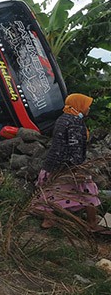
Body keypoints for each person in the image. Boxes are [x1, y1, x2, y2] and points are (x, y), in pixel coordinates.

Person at [34, 93, 100, 231]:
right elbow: (74, 145)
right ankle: (92, 224)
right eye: (87, 106)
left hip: (52, 164)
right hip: (67, 165)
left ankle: (48, 220)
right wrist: (77, 169)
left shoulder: (62, 118)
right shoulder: (75, 122)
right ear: (79, 105)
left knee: (49, 190)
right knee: (89, 191)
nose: (89, 109)